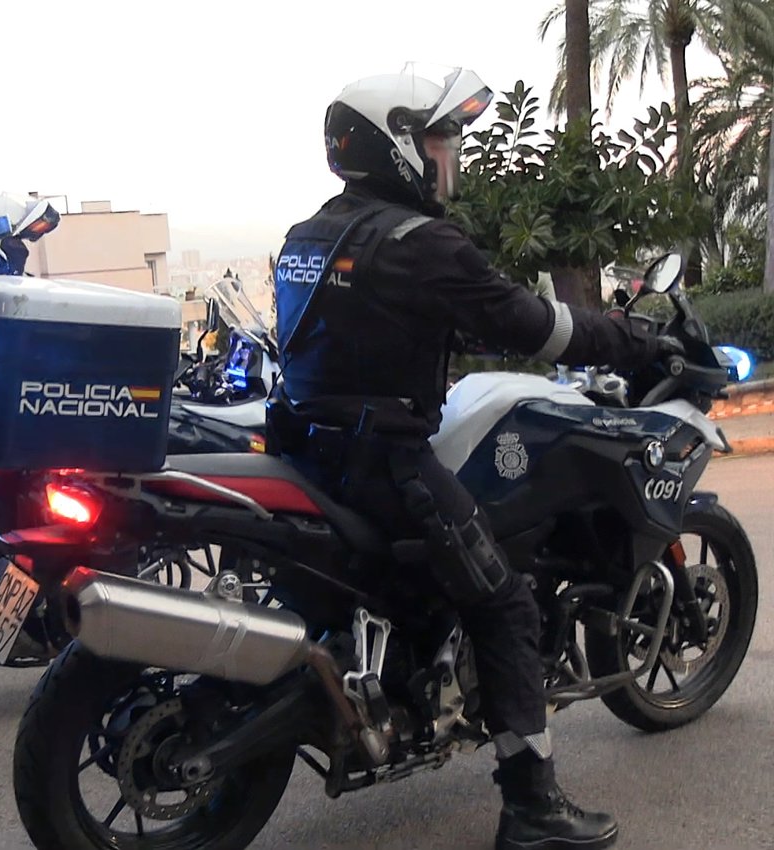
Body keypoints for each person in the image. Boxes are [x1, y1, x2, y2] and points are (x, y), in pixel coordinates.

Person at [269, 66, 677, 850]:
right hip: (386, 466)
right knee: (507, 604)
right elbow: (536, 327)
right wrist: (631, 338)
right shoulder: (423, 244)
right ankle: (533, 808)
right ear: (395, 145)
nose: (448, 154)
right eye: (436, 139)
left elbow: (368, 331)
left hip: (309, 452)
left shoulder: (310, 235)